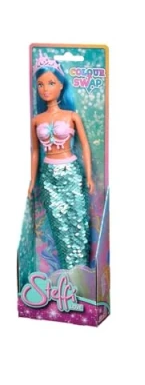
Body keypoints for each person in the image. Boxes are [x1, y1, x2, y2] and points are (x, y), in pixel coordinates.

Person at [28, 51, 94, 270]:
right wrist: (32, 181)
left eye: (51, 83)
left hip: (72, 172)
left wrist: (89, 176)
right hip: (48, 177)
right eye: (40, 84)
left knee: (78, 223)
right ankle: (68, 274)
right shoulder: (37, 120)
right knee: (59, 227)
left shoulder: (71, 116)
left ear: (61, 85)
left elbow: (85, 146)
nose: (45, 88)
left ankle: (82, 272)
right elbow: (35, 152)